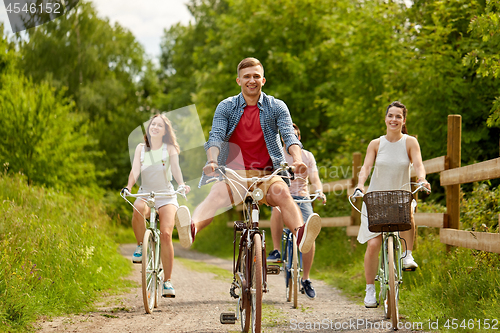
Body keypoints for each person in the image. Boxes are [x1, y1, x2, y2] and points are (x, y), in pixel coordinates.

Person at [174, 57, 321, 256]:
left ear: (263, 80)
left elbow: (289, 135)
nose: (252, 80)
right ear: (239, 81)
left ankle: (301, 235)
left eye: (256, 76)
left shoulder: (276, 106)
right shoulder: (226, 107)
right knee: (216, 194)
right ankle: (191, 229)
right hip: (235, 173)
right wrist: (212, 161)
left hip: (268, 173)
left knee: (284, 194)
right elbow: (215, 136)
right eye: (247, 77)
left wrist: (296, 160)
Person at [355, 101, 431, 308]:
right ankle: (370, 289)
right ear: (385, 118)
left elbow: (418, 164)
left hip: (400, 197)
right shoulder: (376, 144)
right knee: (373, 244)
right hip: (376, 200)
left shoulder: (410, 142)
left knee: (410, 211)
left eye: (398, 116)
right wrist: (360, 185)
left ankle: (407, 254)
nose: (394, 120)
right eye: (391, 116)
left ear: (404, 120)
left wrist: (422, 179)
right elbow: (366, 167)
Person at [122, 114, 191, 298]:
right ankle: (140, 246)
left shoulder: (170, 149)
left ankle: (167, 281)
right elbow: (135, 169)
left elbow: (175, 169)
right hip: (146, 192)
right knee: (137, 209)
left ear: (165, 131)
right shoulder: (140, 149)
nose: (155, 127)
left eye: (159, 125)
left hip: (166, 195)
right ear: (148, 128)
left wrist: (182, 184)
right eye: (153, 124)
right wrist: (129, 187)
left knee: (166, 234)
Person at [266, 123, 326, 299]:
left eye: (294, 134)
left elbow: (315, 178)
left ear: (298, 138)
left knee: (309, 232)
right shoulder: (277, 156)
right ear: (282, 138)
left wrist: (319, 191)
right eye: (287, 135)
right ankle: (277, 251)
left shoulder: (307, 156)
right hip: (282, 197)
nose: (290, 137)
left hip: (302, 198)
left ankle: (306, 279)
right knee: (276, 210)